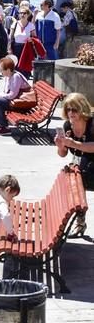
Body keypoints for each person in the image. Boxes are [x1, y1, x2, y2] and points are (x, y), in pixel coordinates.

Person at [55, 93, 94, 237]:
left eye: (74, 109)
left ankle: (79, 221)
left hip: (90, 161)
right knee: (73, 178)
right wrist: (61, 146)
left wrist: (74, 143)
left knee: (79, 176)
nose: (71, 113)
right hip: (84, 163)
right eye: (68, 109)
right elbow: (63, 154)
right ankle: (79, 221)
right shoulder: (67, 126)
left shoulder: (91, 123)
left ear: (82, 109)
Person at [0, 56, 30, 135]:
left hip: (20, 104)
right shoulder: (8, 77)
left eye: (2, 70)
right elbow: (5, 93)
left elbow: (12, 95)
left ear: (8, 70)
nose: (1, 72)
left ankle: (5, 127)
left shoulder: (16, 77)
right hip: (13, 101)